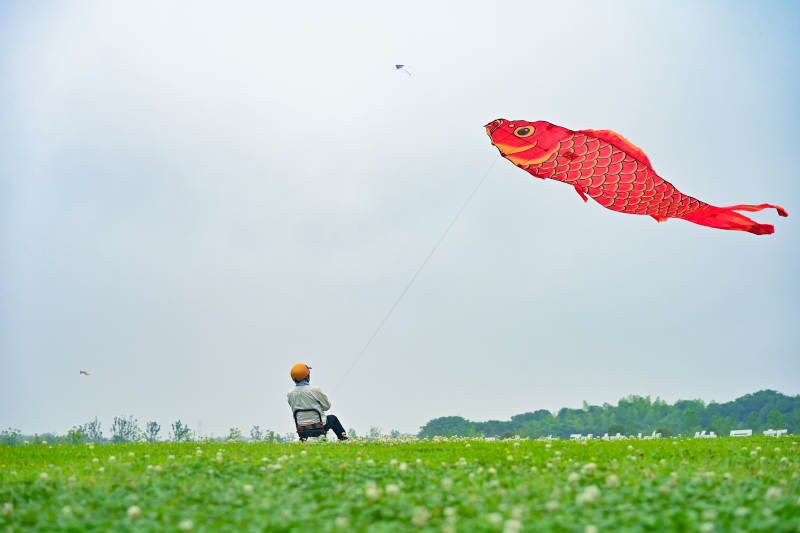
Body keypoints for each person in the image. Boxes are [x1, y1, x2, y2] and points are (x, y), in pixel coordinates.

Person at [287, 363, 348, 441]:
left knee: (304, 421)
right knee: (333, 418)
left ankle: (303, 440)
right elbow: (327, 407)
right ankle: (344, 440)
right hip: (319, 425)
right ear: (307, 376)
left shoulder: (290, 393)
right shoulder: (315, 390)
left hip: (301, 427)